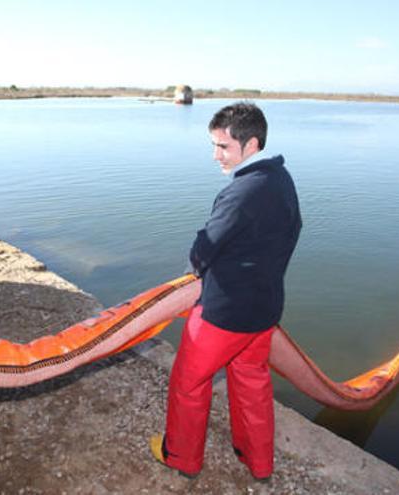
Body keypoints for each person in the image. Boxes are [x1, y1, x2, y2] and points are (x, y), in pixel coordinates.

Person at [150, 102, 302, 481]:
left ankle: (181, 458)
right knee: (252, 381)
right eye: (214, 145)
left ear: (251, 144)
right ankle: (258, 460)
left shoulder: (240, 193)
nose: (216, 155)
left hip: (223, 315)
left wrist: (187, 284)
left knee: (189, 383)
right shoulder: (280, 179)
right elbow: (292, 231)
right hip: (264, 309)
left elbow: (204, 249)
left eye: (223, 147)